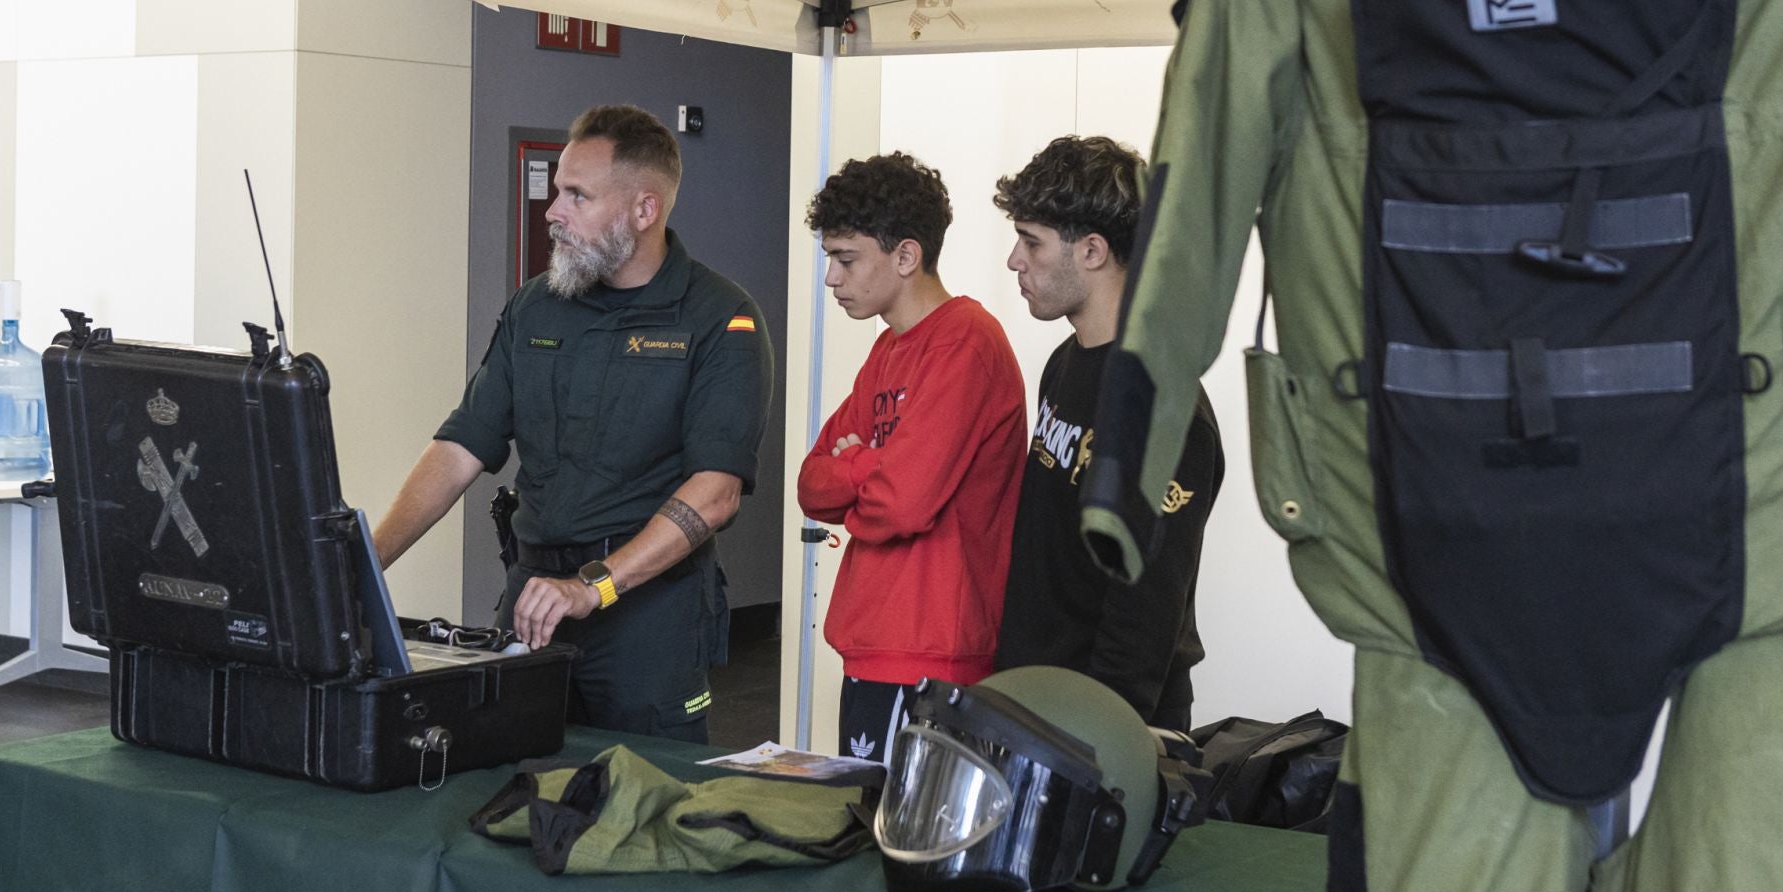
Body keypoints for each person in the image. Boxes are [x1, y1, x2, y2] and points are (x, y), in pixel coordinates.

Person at [372, 104, 774, 744]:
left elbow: (716, 492)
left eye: (576, 196)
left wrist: (596, 587)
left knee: (644, 810)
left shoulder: (720, 318)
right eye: (557, 189)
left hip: (650, 624)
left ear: (645, 210)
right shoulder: (538, 306)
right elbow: (460, 449)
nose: (553, 211)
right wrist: (366, 566)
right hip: (533, 603)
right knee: (512, 795)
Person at [796, 152, 1026, 764]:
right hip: (875, 645)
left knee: (909, 845)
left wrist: (868, 469)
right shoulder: (888, 351)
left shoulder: (967, 342)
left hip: (934, 654)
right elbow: (812, 486)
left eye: (845, 260)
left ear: (905, 256)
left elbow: (903, 504)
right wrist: (875, 464)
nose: (832, 279)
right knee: (868, 832)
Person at [992, 135, 1224, 732]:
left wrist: (1098, 745)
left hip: (1100, 730)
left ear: (1092, 251)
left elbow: (1142, 617)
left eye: (1031, 242)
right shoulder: (1065, 362)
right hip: (1032, 697)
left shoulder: (1161, 407)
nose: (1015, 261)